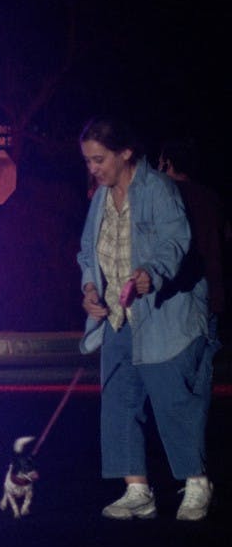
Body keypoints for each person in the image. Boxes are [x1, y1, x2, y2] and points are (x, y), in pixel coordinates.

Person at [77, 117, 213, 521]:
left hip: (161, 314)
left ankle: (196, 484)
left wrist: (150, 273)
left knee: (173, 400)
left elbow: (176, 240)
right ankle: (137, 490)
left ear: (125, 153)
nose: (93, 168)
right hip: (118, 316)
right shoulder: (100, 198)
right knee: (119, 400)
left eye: (99, 159)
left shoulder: (158, 189)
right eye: (87, 162)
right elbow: (88, 251)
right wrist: (90, 290)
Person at [158, 139, 227, 344]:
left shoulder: (164, 196)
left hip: (178, 297)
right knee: (204, 367)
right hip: (212, 295)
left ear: (167, 163)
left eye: (159, 162)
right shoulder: (212, 198)